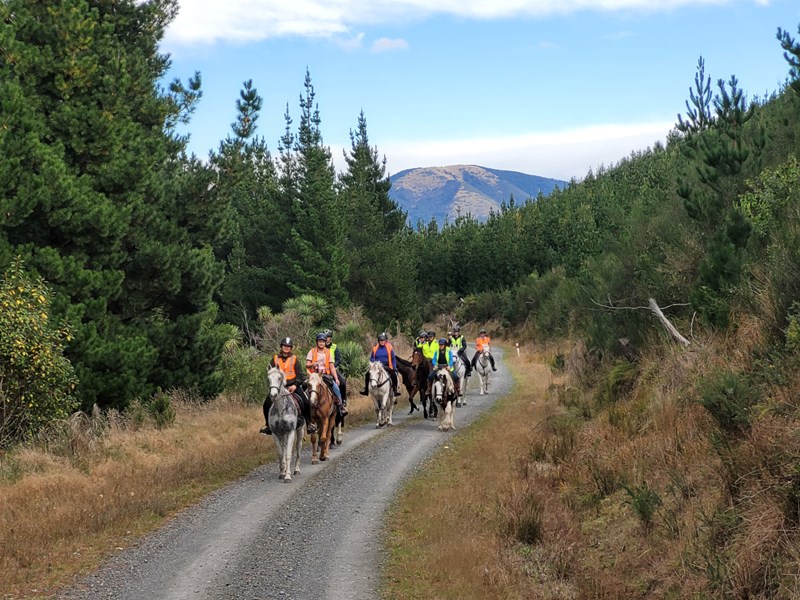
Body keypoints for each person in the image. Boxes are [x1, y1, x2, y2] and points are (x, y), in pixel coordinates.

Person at [260, 337, 316, 435]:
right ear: (281, 347)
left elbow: (300, 374)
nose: (286, 348)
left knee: (306, 402)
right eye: (285, 346)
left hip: (292, 386)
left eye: (288, 346)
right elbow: (270, 373)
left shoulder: (294, 359)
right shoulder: (275, 358)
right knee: (266, 403)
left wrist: (295, 385)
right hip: (279, 387)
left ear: (291, 348)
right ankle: (267, 426)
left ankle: (309, 424)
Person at [306, 332, 348, 417]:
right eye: (319, 341)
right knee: (304, 387)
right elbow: (307, 364)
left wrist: (336, 379)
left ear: (325, 342)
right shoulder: (312, 351)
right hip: (314, 376)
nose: (321, 343)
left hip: (325, 375)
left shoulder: (328, 352)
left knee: (335, 387)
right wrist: (312, 364)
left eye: (323, 341)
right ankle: (305, 409)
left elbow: (332, 367)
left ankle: (340, 406)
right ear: (317, 342)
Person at [360, 332, 401, 397]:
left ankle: (395, 390)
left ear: (385, 341)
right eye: (381, 341)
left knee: (393, 374)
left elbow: (393, 358)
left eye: (383, 340)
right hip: (377, 366)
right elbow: (372, 358)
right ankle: (366, 390)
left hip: (386, 365)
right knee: (367, 374)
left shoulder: (389, 348)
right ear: (379, 341)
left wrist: (394, 367)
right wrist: (374, 363)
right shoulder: (375, 348)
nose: (382, 342)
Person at [324, 329, 347, 405]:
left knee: (343, 382)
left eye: (328, 337)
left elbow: (338, 359)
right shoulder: (320, 346)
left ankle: (343, 400)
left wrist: (333, 366)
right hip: (322, 370)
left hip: (332, 369)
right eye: (325, 337)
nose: (326, 338)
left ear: (330, 338)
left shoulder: (334, 347)